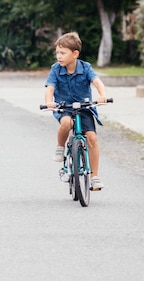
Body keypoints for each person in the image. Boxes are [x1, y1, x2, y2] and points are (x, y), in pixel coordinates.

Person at [44, 32, 108, 191]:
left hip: (84, 107)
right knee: (65, 123)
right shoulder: (55, 69)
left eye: (62, 53)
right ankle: (60, 147)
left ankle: (94, 177)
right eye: (57, 52)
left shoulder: (86, 68)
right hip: (64, 107)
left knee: (92, 137)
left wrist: (102, 95)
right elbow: (50, 88)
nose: (58, 56)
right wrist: (49, 102)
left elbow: (97, 82)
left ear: (75, 54)